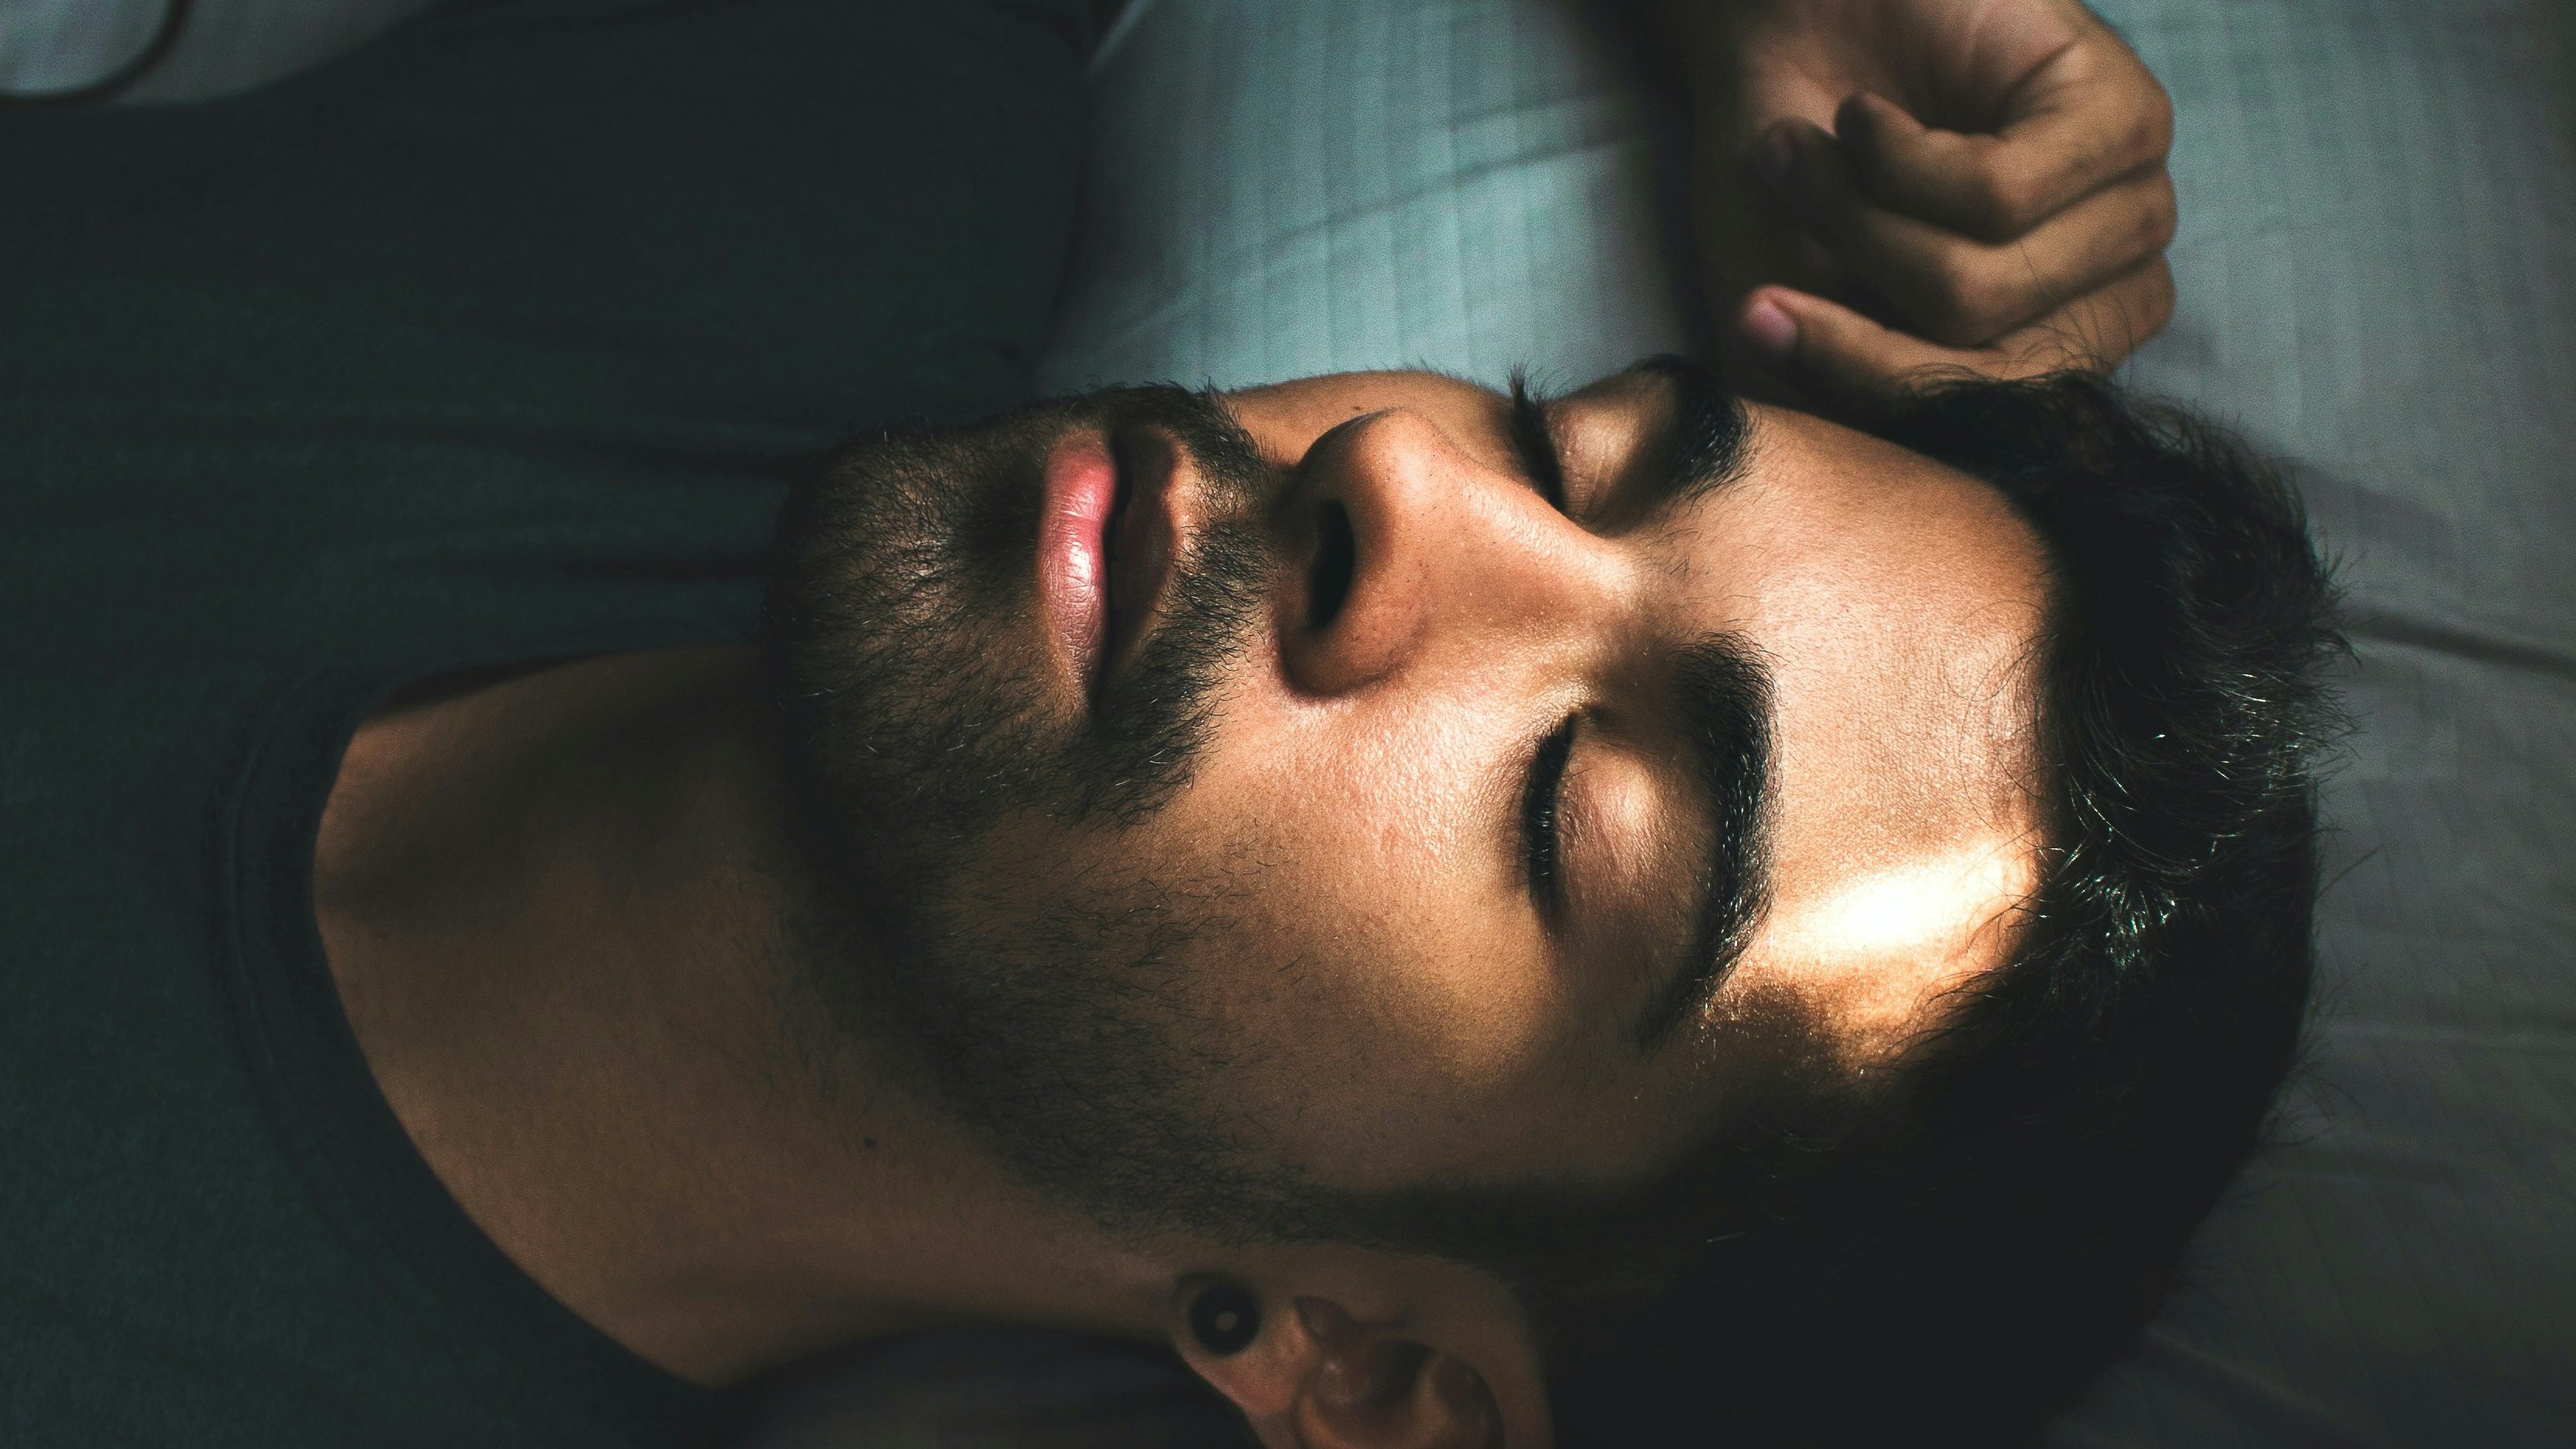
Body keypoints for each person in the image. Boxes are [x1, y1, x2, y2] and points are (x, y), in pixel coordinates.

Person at [0, 2, 2335, 1447]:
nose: (1404, 482)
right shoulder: (798, 191)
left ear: (1370, 1368)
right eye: (1563, 451)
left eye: (1572, 803)